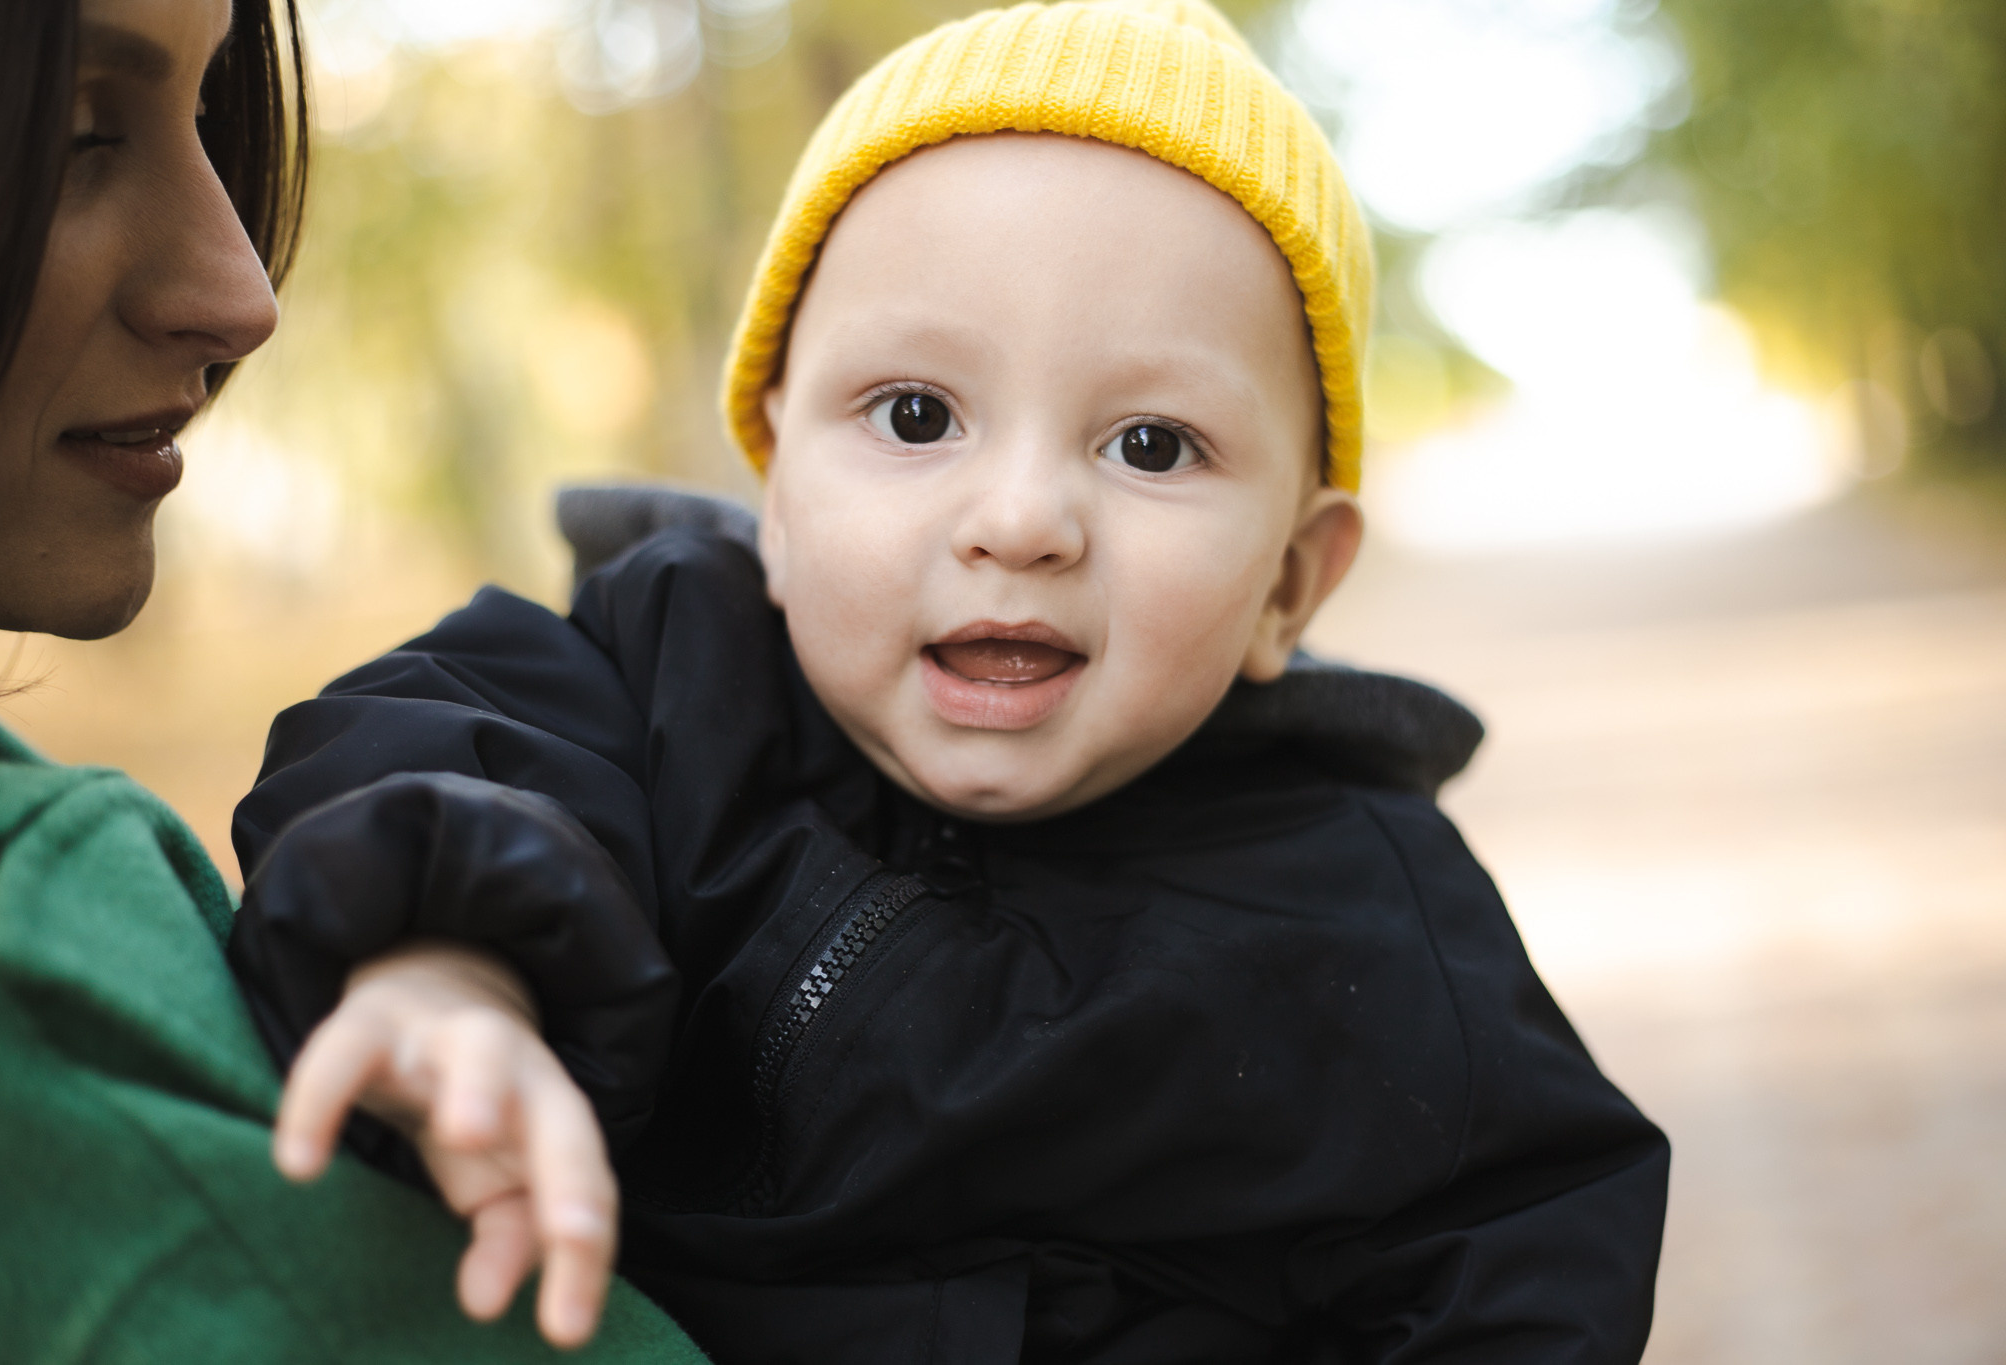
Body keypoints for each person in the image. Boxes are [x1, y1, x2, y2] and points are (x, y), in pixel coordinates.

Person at [227, 0, 1671, 1360]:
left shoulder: (1373, 923)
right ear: (776, 487)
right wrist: (453, 964)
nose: (1023, 518)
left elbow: (1530, 1245)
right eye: (918, 415)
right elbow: (430, 746)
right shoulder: (659, 672)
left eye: (1151, 445)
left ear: (1290, 582)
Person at [0, 1, 704, 1359]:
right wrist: (442, 941)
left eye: (204, 114)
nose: (242, 294)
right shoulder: (29, 980)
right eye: (73, 136)